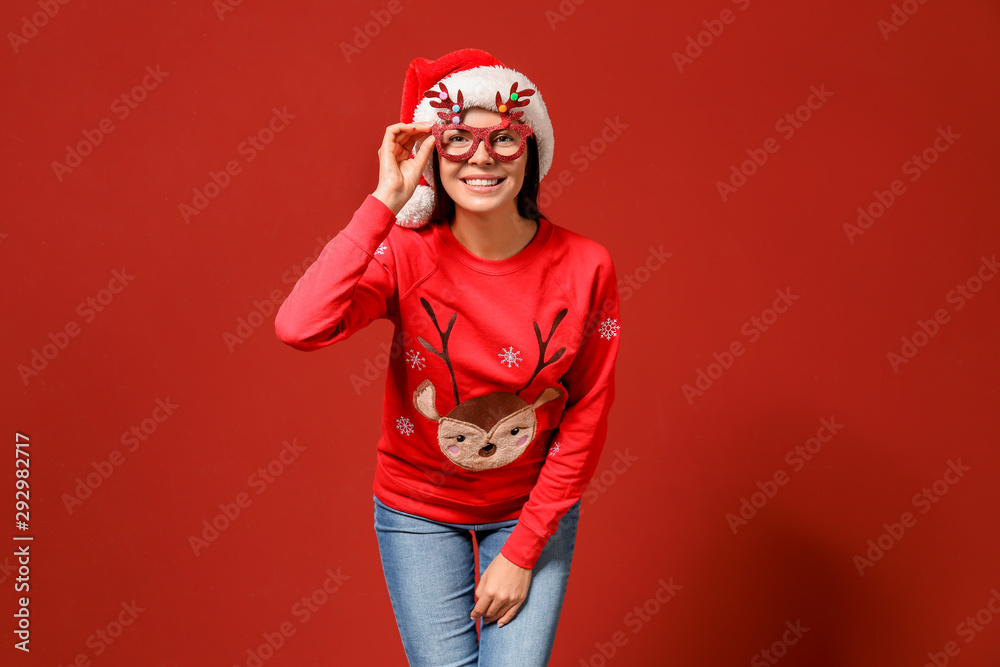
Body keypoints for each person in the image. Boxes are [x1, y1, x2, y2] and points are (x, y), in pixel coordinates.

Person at [274, 48, 622, 666]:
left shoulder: (586, 266)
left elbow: (588, 413)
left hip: (530, 510)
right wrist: (384, 202)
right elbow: (300, 327)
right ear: (432, 155)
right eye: (457, 138)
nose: (481, 158)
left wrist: (523, 550)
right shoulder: (406, 254)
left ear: (532, 148)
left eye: (504, 140)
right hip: (418, 510)